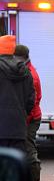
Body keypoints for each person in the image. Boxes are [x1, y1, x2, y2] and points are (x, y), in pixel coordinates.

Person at [0, 34, 35, 172]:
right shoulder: (26, 71)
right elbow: (30, 101)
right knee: (16, 167)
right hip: (18, 129)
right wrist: (22, 114)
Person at [14, 44, 42, 181]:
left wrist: (22, 122)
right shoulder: (22, 71)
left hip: (30, 119)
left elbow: (33, 102)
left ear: (22, 58)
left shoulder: (31, 75)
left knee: (29, 152)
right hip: (24, 117)